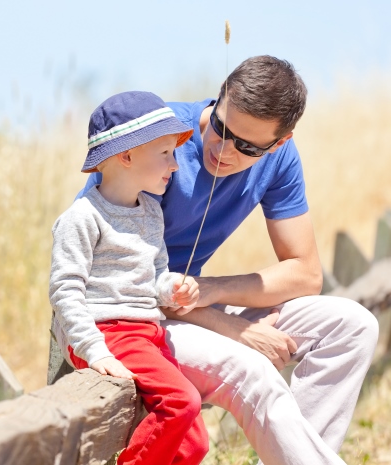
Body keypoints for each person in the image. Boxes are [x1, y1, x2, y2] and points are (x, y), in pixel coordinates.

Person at [77, 55, 379, 465]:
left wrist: (214, 291)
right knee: (252, 373)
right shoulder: (158, 146)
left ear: (281, 142)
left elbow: (305, 273)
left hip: (186, 304)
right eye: (221, 127)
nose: (224, 150)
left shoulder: (281, 161)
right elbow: (114, 273)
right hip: (130, 317)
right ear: (220, 97)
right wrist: (232, 327)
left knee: (353, 325)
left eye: (249, 146)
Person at [50, 91, 209, 465]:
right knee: (182, 401)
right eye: (165, 154)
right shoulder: (82, 218)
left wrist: (172, 289)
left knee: (194, 443)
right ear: (126, 156)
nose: (175, 166)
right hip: (108, 332)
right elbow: (65, 290)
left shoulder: (151, 212)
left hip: (147, 334)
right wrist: (95, 350)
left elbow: (153, 276)